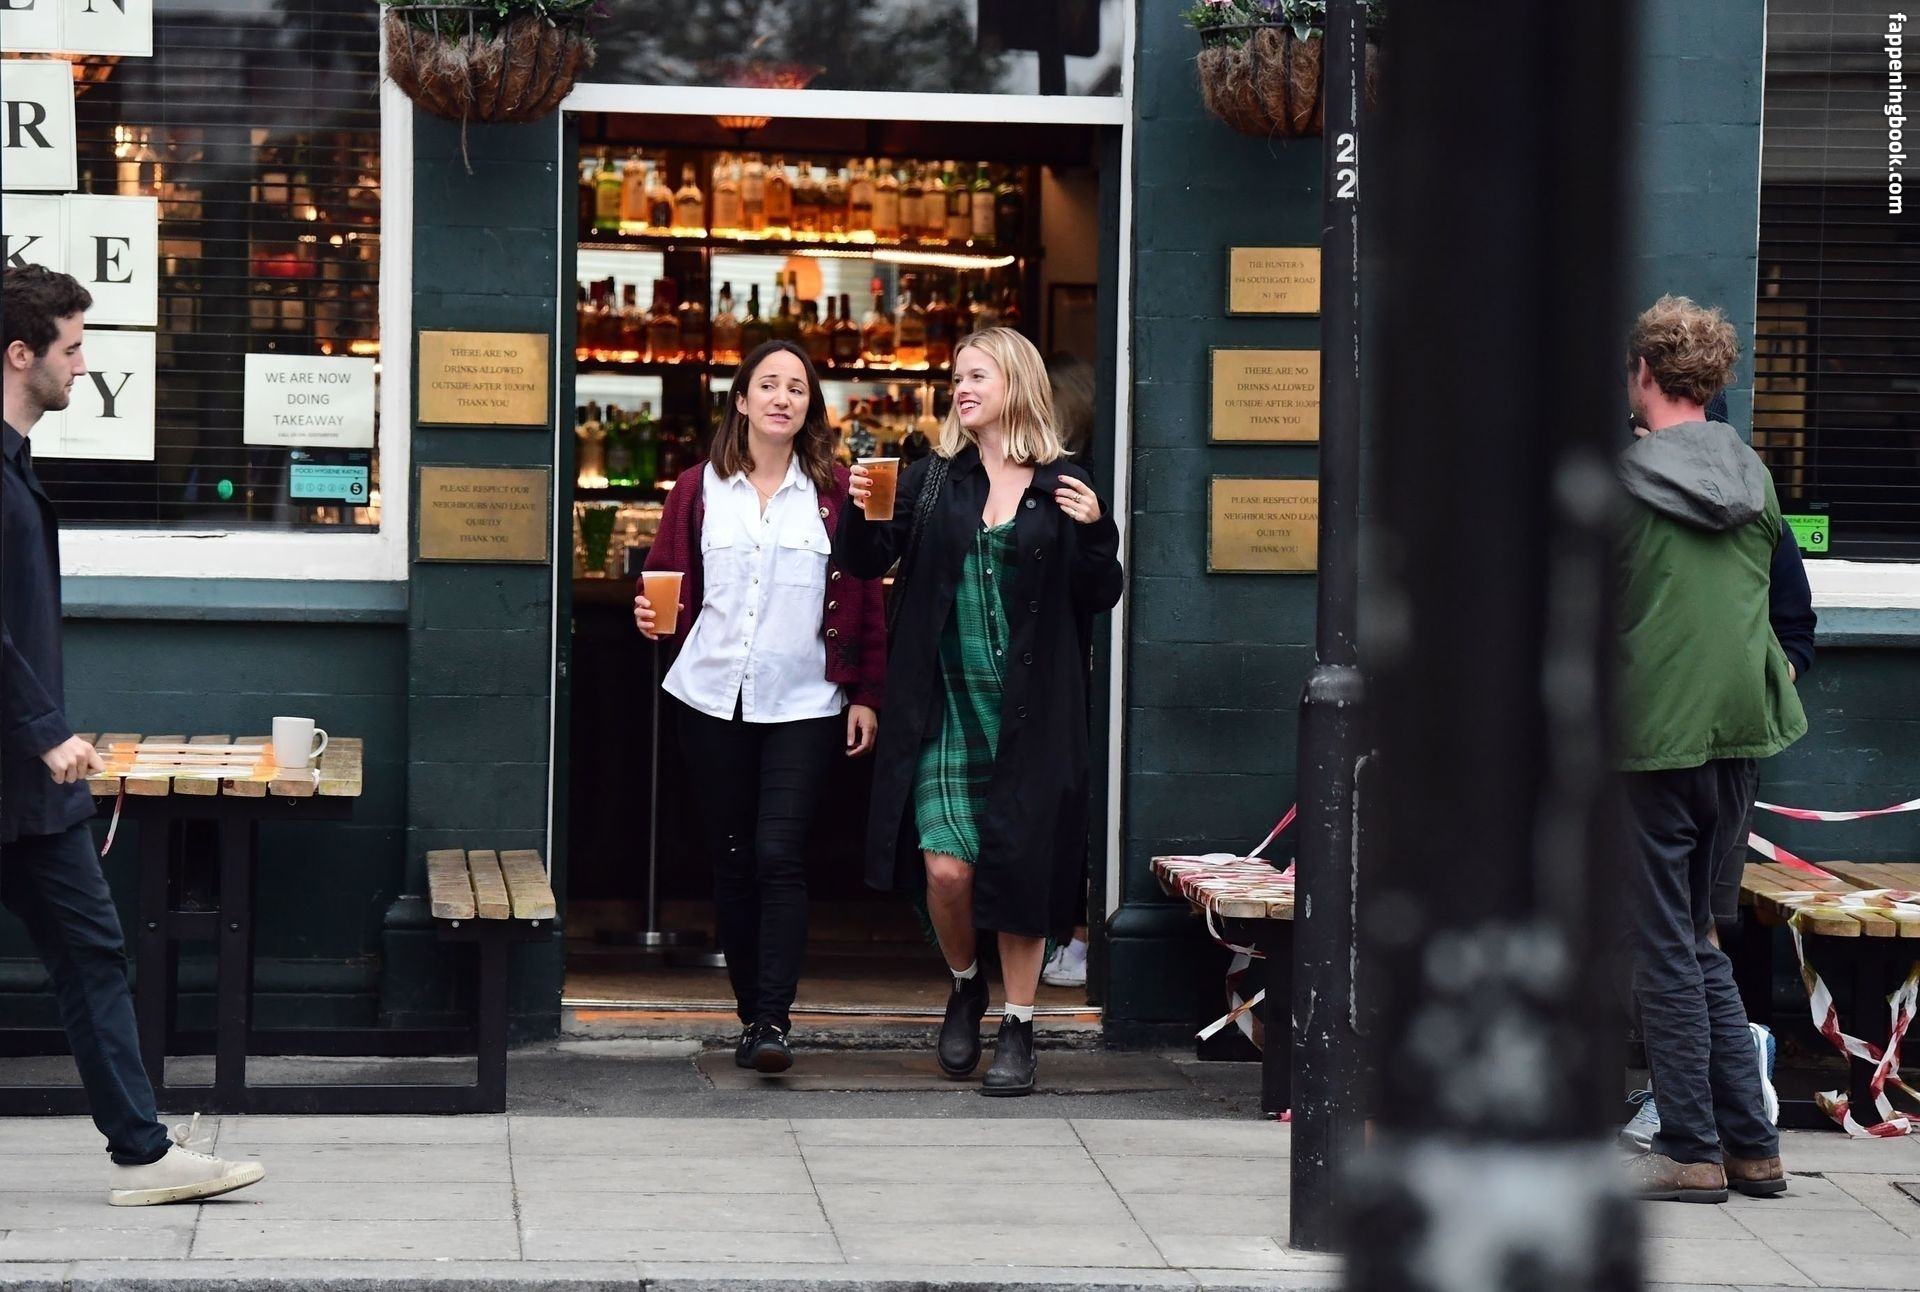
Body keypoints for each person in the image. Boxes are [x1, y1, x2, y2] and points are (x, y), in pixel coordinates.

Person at [2, 265, 265, 1205]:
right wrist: (44, 731)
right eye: (73, 347)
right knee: (92, 954)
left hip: (28, 789)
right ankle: (146, 1151)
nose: (84, 364)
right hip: (24, 768)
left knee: (91, 953)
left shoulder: (15, 463)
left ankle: (145, 1153)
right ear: (21, 354)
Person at [837, 327, 1123, 1096]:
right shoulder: (933, 480)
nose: (961, 389)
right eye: (957, 377)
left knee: (1023, 870)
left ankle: (1019, 1026)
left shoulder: (1064, 481)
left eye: (977, 376)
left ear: (1016, 384)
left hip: (1033, 715)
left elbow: (1099, 594)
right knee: (946, 867)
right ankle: (966, 983)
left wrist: (1097, 532)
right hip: (947, 708)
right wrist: (861, 512)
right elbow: (865, 560)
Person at [635, 339, 884, 1074]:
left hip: (805, 701)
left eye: (796, 388)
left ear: (810, 408)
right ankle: (752, 1015)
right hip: (711, 698)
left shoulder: (837, 495)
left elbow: (867, 598)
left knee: (779, 854)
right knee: (734, 859)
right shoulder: (696, 490)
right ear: (741, 401)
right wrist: (649, 617)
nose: (782, 397)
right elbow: (662, 580)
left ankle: (774, 1018)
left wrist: (866, 693)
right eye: (768, 385)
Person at [1615, 295, 1806, 1203]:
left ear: (1644, 374)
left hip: (1653, 737)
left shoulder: (1620, 484)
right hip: (1739, 734)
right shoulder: (1757, 479)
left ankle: (1690, 1147)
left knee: (1664, 945)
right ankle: (1753, 1148)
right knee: (1699, 940)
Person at [1039, 351, 1098, 990]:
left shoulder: (1076, 481)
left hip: (1073, 659)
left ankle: (1076, 932)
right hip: (1050, 660)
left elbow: (1098, 578)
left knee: (1068, 794)